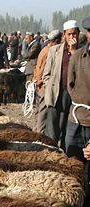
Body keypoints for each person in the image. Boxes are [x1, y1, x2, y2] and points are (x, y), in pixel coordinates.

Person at [43, 20, 79, 150]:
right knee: (52, 128)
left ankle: (65, 154)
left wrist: (74, 52)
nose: (72, 37)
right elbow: (46, 74)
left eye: (74, 34)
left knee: (68, 128)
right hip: (56, 94)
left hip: (73, 95)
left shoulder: (81, 52)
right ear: (64, 35)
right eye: (69, 34)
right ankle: (50, 154)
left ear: (78, 34)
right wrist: (50, 87)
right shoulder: (54, 51)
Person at [65, 17, 90, 163]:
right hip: (77, 118)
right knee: (74, 161)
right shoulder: (78, 57)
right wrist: (81, 99)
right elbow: (71, 85)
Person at [32, 29, 62, 134]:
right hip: (44, 85)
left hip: (38, 83)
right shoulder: (50, 52)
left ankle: (36, 130)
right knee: (43, 111)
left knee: (38, 109)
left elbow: (37, 67)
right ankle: (40, 133)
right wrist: (40, 81)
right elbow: (43, 69)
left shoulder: (44, 49)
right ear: (57, 40)